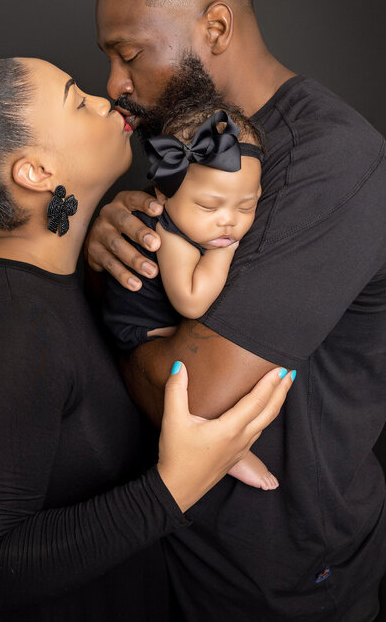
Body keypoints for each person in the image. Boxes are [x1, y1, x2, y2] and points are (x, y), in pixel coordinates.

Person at [0, 23, 295, 621]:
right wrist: (174, 486)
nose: (105, 99)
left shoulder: (65, 285)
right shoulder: (6, 329)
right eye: (77, 100)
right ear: (36, 172)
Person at [86, 0, 386, 621]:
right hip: (171, 551)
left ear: (214, 27)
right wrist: (111, 241)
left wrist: (119, 336)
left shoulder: (333, 166)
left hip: (279, 580)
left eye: (130, 54)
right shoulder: (193, 140)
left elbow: (196, 401)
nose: (114, 85)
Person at [101, 69, 277, 490]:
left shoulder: (196, 222)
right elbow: (192, 301)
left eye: (246, 206)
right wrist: (223, 252)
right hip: (140, 329)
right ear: (164, 194)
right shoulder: (171, 235)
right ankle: (227, 452)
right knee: (194, 379)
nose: (228, 221)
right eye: (209, 206)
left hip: (160, 321)